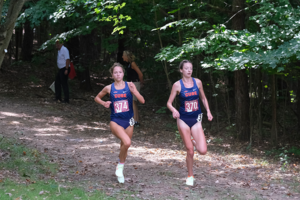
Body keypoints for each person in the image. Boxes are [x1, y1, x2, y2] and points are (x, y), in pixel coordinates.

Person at [94, 63, 145, 183]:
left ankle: (120, 169)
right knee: (127, 142)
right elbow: (97, 98)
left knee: (124, 146)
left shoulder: (129, 85)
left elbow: (142, 101)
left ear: (123, 73)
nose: (118, 74)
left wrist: (135, 91)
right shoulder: (109, 88)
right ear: (112, 75)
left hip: (129, 121)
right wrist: (104, 103)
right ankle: (120, 167)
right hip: (116, 121)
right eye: (115, 72)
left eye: (120, 72)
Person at [166, 60, 213, 186]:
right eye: (186, 68)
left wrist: (208, 111)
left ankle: (192, 140)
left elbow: (203, 97)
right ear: (181, 70)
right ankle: (190, 175)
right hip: (183, 119)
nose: (189, 70)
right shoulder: (177, 85)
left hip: (196, 118)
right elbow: (169, 103)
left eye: (190, 68)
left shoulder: (198, 82)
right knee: (190, 151)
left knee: (202, 151)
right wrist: (174, 110)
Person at [122, 51, 144, 127]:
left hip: (135, 83)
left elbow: (140, 74)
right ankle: (136, 121)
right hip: (131, 84)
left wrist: (141, 83)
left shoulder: (133, 64)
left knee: (133, 102)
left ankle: (135, 121)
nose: (122, 57)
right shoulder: (128, 64)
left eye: (123, 55)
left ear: (127, 56)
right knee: (133, 102)